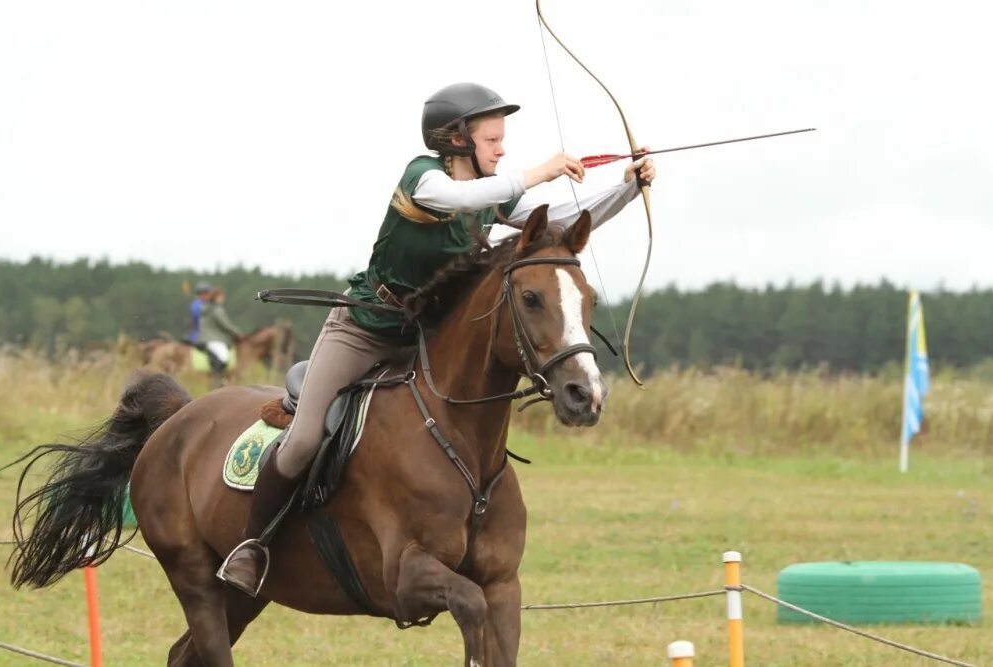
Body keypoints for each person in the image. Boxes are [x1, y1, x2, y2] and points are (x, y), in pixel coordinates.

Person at [217, 82, 656, 596]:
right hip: (362, 330)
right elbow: (461, 197)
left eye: (502, 140)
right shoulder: (423, 178)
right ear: (456, 141)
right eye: (492, 140)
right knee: (306, 438)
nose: (502, 149)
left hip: (425, 335)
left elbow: (556, 226)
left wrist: (627, 187)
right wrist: (542, 171)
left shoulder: (491, 194)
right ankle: (252, 547)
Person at [198, 287, 242, 374]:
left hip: (206, 338)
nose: (223, 299)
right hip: (214, 339)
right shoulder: (217, 310)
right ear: (217, 297)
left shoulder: (207, 308)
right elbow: (225, 325)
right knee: (224, 357)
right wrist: (237, 332)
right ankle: (217, 377)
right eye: (221, 297)